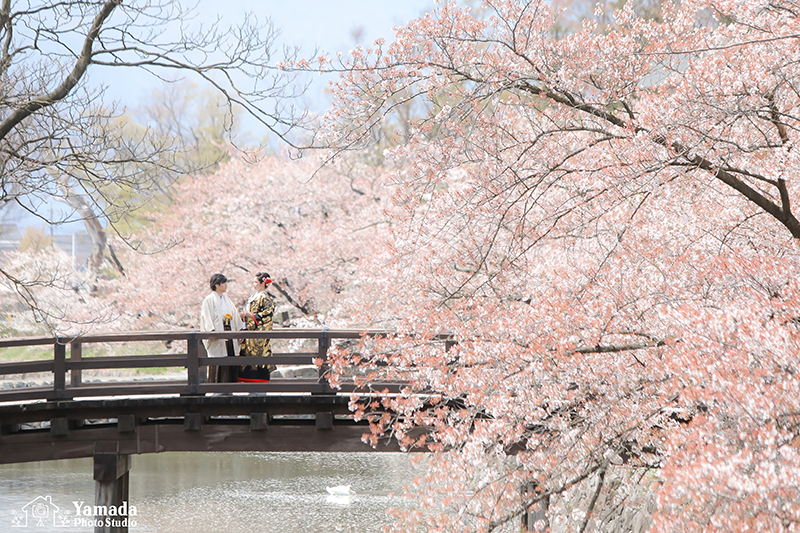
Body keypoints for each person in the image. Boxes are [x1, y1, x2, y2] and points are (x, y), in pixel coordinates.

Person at [199, 273, 243, 384]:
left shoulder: (227, 300)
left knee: (229, 359)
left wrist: (239, 332)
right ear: (217, 285)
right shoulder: (208, 300)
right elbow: (206, 318)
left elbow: (235, 316)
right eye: (223, 283)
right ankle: (217, 389)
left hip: (229, 333)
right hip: (217, 335)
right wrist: (213, 333)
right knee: (218, 360)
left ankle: (229, 388)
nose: (225, 285)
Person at [239, 271, 276, 382]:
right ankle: (252, 389)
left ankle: (259, 390)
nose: (254, 284)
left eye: (256, 282)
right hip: (249, 335)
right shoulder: (253, 297)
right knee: (247, 363)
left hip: (258, 336)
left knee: (259, 361)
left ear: (262, 283)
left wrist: (251, 315)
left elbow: (268, 315)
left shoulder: (265, 298)